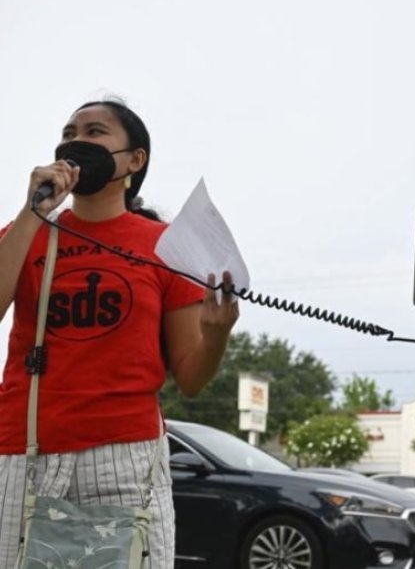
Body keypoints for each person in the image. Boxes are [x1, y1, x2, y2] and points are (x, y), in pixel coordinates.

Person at [0, 99, 240, 568]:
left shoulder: (167, 245)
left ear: (135, 160)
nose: (77, 141)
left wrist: (216, 335)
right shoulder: (26, 231)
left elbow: (191, 378)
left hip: (123, 458)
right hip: (23, 448)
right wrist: (34, 212)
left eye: (95, 132)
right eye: (70, 132)